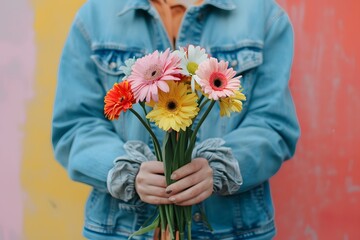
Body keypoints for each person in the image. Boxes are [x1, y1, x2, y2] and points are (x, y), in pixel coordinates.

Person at [52, 0, 300, 239]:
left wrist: (222, 166)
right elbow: (74, 127)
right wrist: (125, 171)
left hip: (231, 231)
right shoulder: (95, 16)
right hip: (122, 229)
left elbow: (274, 126)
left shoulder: (263, 15)